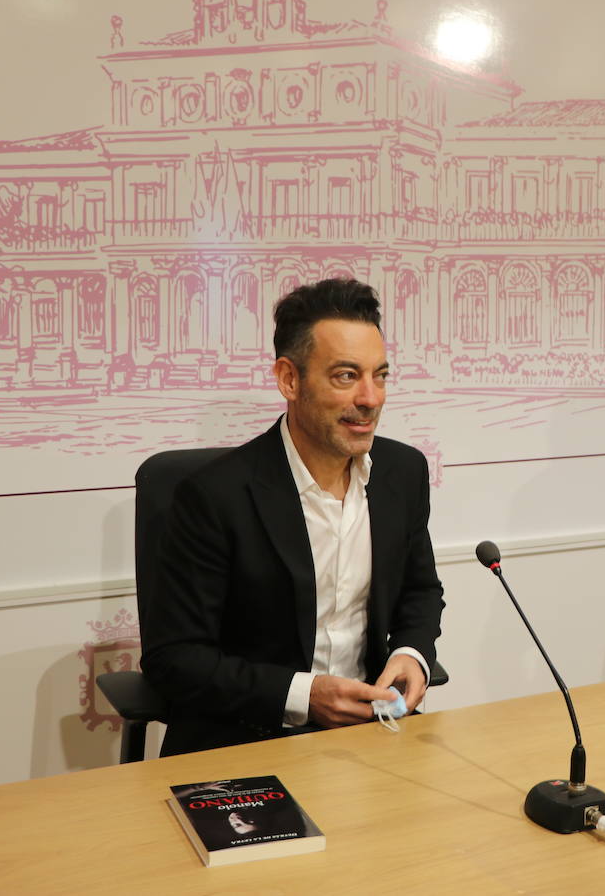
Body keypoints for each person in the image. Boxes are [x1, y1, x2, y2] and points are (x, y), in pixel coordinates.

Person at [142, 278, 444, 755]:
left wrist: (411, 655)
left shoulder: (402, 474)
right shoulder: (213, 496)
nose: (371, 398)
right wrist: (305, 696)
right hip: (246, 740)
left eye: (380, 375)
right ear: (289, 379)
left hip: (372, 735)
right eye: (346, 376)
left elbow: (420, 591)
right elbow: (175, 660)